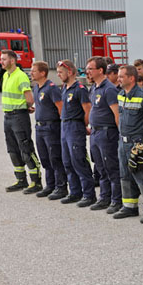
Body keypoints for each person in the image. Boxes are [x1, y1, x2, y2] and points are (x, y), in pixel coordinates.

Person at [113, 65, 143, 223]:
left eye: (121, 76)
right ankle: (130, 207)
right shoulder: (121, 94)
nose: (118, 79)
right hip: (123, 142)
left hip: (138, 142)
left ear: (131, 78)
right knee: (125, 175)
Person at [0, 49, 42, 193]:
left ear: (12, 61)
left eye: (4, 59)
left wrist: (26, 108)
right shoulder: (6, 75)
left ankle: (36, 182)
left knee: (25, 148)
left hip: (18, 116)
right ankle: (21, 180)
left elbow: (29, 99)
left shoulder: (21, 76)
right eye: (1, 59)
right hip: (8, 117)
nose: (1, 61)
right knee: (13, 149)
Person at [86, 56, 122, 214]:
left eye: (90, 69)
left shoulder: (109, 89)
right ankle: (104, 197)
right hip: (95, 132)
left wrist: (119, 134)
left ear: (100, 70)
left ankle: (116, 200)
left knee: (111, 168)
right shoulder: (94, 87)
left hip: (107, 133)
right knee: (100, 168)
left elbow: (117, 114)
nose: (87, 72)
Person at [57, 59, 96, 205]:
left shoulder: (79, 89)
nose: (59, 75)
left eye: (61, 72)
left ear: (71, 72)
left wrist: (83, 125)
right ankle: (75, 192)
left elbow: (87, 109)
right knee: (67, 161)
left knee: (78, 160)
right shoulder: (64, 88)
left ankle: (89, 194)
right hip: (65, 126)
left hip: (74, 127)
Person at [31, 61, 67, 199]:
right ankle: (50, 185)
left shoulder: (51, 88)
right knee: (44, 157)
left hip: (51, 127)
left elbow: (60, 108)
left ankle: (61, 186)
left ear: (42, 73)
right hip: (39, 127)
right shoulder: (36, 87)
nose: (31, 73)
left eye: (34, 71)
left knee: (55, 158)